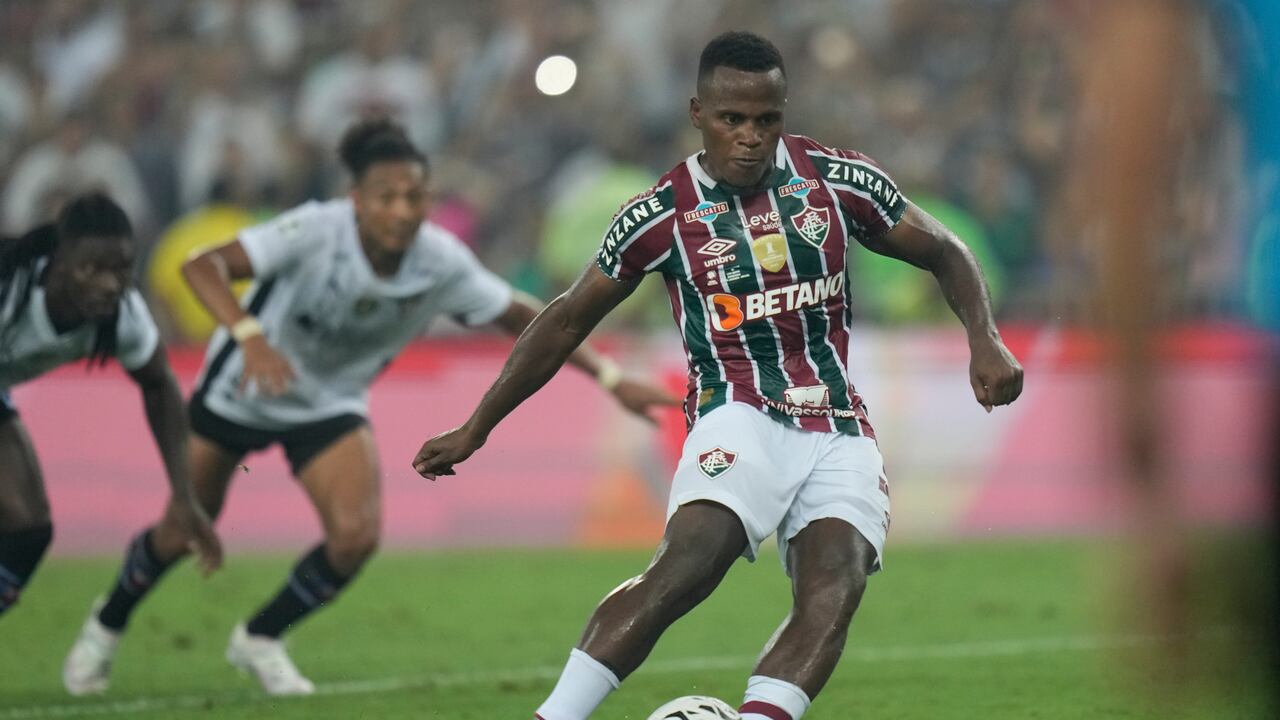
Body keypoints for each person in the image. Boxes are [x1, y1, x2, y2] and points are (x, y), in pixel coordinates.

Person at [412, 32, 1024, 720]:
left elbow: (944, 248)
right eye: (733, 119)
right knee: (689, 567)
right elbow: (562, 320)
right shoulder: (661, 213)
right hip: (735, 410)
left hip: (837, 422)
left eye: (767, 119)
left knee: (837, 581)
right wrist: (477, 427)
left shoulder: (837, 179)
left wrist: (985, 339)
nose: (750, 137)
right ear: (698, 112)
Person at [63, 118, 675, 697]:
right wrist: (249, 338)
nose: (403, 210)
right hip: (241, 390)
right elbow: (201, 267)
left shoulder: (439, 259)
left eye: (414, 197)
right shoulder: (313, 230)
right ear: (357, 199)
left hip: (327, 403)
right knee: (183, 529)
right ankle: (105, 626)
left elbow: (524, 315)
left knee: (354, 538)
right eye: (387, 197)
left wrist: (610, 374)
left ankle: (259, 637)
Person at [0, 193, 221, 625]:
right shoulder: (10, 288)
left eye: (120, 270)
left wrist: (182, 494)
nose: (108, 284)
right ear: (58, 261)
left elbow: (159, 388)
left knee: (28, 531)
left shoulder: (124, 319)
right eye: (91, 268)